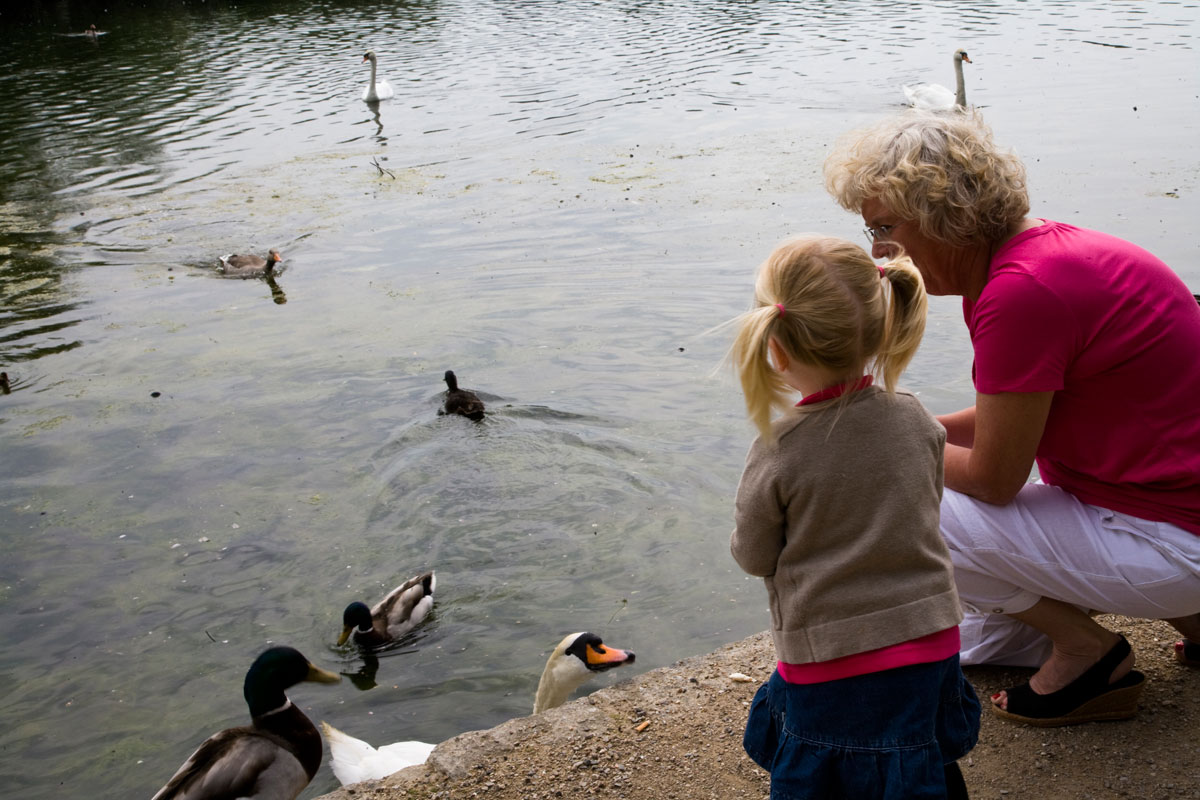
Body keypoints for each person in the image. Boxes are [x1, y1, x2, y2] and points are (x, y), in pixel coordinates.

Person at [823, 109, 1200, 728]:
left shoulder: (1021, 292)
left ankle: (1089, 652)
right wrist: (905, 422)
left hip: (1173, 537)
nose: (879, 251)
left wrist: (874, 436)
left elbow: (996, 477)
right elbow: (1017, 413)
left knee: (899, 495)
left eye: (885, 226)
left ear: (940, 210)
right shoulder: (1046, 256)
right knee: (968, 613)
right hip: (1175, 511)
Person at [728, 235, 980, 799]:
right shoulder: (915, 418)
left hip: (832, 659)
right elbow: (923, 507)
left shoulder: (779, 447)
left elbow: (753, 555)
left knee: (833, 768)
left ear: (777, 348)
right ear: (880, 327)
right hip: (933, 640)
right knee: (917, 759)